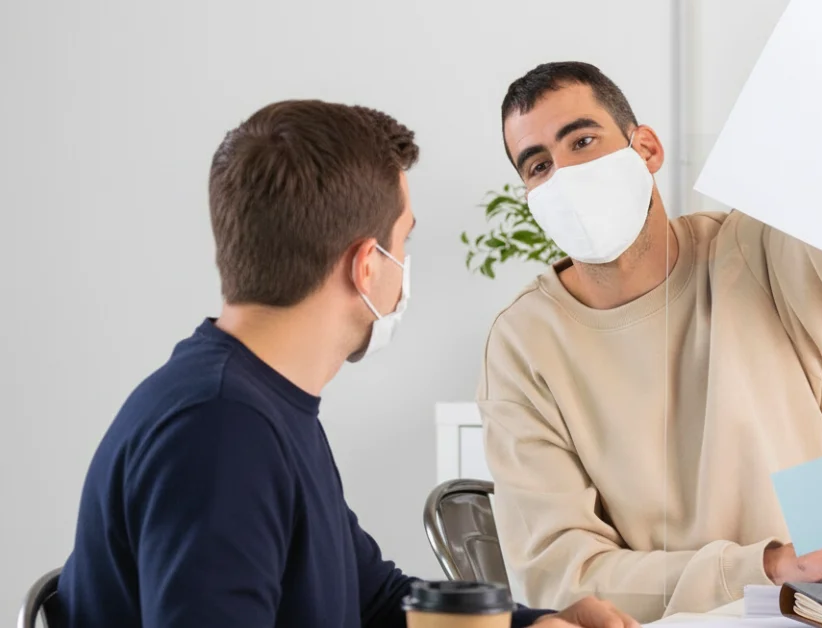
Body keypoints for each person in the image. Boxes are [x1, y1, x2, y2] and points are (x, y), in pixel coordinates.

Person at [55, 100, 638, 628]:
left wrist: (529, 626)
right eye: (403, 242)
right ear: (366, 266)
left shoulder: (265, 405)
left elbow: (376, 601)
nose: (404, 267)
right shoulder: (219, 431)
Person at [476, 0, 822, 622]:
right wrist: (766, 564)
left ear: (645, 147)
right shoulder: (525, 342)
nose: (564, 175)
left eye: (583, 141)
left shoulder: (753, 251)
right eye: (538, 165)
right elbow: (563, 576)